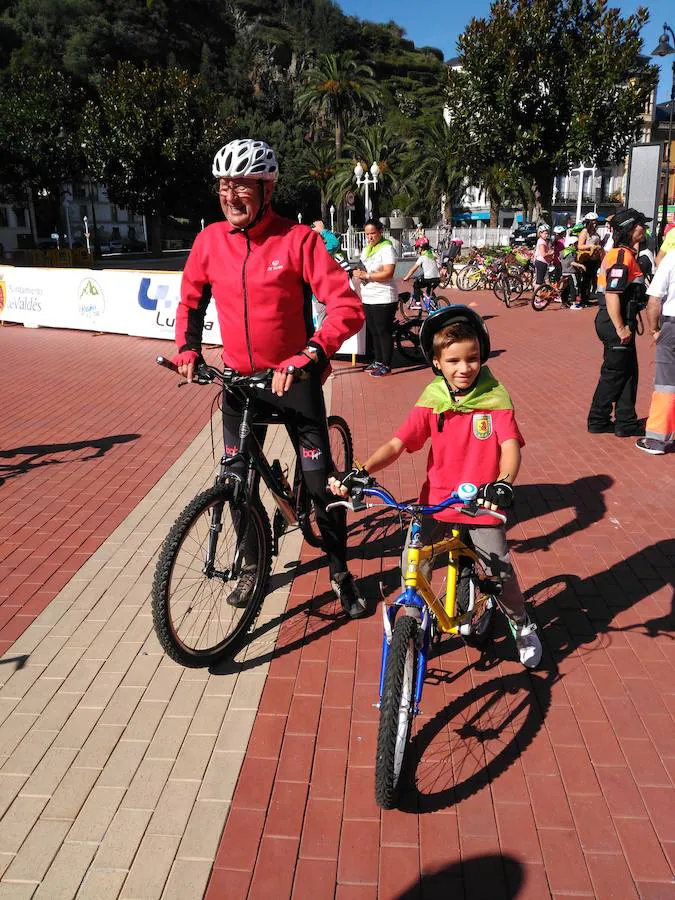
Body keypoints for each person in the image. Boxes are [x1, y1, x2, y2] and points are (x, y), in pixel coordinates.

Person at [173, 138, 367, 618]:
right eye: (223, 185)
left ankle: (341, 572)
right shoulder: (209, 241)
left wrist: (309, 354)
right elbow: (191, 301)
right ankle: (251, 565)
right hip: (241, 384)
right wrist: (187, 348)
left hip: (294, 383)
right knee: (237, 479)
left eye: (241, 185)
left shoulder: (298, 240)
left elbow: (347, 307)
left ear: (267, 188)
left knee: (323, 490)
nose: (230, 195)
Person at [328, 305, 542, 668]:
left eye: (472, 358)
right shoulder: (433, 400)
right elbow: (399, 443)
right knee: (415, 560)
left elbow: (509, 448)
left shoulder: (495, 399)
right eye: (454, 360)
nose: (464, 368)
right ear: (437, 363)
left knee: (499, 569)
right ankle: (413, 619)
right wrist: (361, 470)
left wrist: (503, 484)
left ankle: (521, 623)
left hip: (481, 503)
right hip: (437, 500)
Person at [587, 207, 649, 438]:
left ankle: (625, 422)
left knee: (628, 372)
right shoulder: (621, 256)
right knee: (614, 373)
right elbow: (613, 294)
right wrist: (621, 327)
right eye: (641, 224)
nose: (645, 228)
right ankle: (598, 419)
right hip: (615, 320)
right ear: (630, 228)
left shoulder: (625, 254)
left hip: (622, 320)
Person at [636, 247, 675, 455]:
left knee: (666, 384)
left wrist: (654, 330)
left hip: (672, 326)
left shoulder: (671, 259)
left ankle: (657, 441)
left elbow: (654, 300)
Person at [352, 218, 397, 377]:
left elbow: (388, 272)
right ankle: (378, 360)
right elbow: (361, 266)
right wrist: (358, 272)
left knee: (383, 331)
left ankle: (386, 365)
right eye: (367, 234)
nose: (370, 237)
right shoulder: (367, 249)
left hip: (384, 297)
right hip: (368, 296)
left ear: (380, 232)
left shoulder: (387, 248)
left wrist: (368, 275)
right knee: (374, 331)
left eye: (373, 233)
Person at [310, 220, 342, 328]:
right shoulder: (317, 252)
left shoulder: (309, 250)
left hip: (316, 294)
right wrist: (322, 230)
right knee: (325, 325)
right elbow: (334, 243)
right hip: (322, 294)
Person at [403, 236, 440, 308]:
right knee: (429, 292)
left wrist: (406, 277)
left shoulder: (422, 257)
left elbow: (413, 269)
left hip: (428, 278)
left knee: (416, 284)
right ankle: (434, 304)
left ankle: (417, 303)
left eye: (417, 248)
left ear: (421, 248)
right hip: (437, 278)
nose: (417, 250)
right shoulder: (432, 255)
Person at [577, 211, 603, 303]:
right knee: (586, 279)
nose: (595, 224)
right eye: (593, 222)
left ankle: (588, 296)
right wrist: (591, 246)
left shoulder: (595, 233)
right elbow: (580, 246)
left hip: (595, 258)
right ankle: (583, 298)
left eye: (596, 222)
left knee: (593, 279)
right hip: (586, 258)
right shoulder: (584, 232)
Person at [559, 238, 586, 309]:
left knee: (565, 289)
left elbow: (560, 259)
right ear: (572, 244)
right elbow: (572, 262)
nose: (577, 245)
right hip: (571, 273)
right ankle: (574, 304)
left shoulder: (563, 252)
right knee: (573, 288)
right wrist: (581, 265)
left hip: (564, 272)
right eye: (576, 243)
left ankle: (564, 302)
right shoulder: (571, 253)